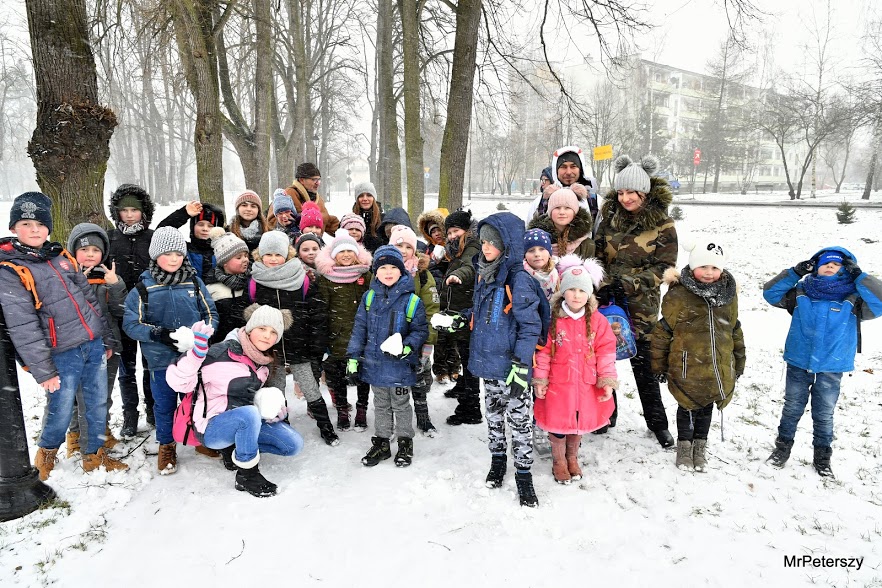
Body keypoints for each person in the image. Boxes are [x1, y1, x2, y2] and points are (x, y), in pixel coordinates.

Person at [0, 192, 127, 479]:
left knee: (95, 402)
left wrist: (104, 337)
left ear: (49, 227)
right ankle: (46, 453)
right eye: (26, 224)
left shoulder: (61, 257)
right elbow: (22, 325)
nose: (34, 230)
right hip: (61, 353)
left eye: (40, 225)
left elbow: (90, 302)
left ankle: (93, 455)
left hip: (92, 345)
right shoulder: (10, 269)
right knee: (60, 406)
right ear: (13, 229)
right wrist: (43, 370)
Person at [763, 247, 882, 478]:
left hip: (832, 365)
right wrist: (794, 273)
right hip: (799, 360)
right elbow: (770, 293)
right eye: (825, 262)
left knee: (824, 413)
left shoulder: (854, 299)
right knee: (791, 407)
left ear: (845, 269)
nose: (830, 265)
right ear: (815, 267)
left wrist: (860, 276)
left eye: (837, 264)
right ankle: (782, 449)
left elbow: (880, 302)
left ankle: (822, 457)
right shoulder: (800, 293)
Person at [166, 306, 303, 497]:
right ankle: (247, 475)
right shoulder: (220, 353)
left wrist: (276, 410)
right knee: (248, 414)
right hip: (212, 427)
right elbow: (178, 383)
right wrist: (195, 355)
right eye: (262, 328)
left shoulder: (263, 362)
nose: (267, 336)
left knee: (292, 445)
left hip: (245, 419)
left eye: (273, 332)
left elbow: (252, 396)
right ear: (250, 328)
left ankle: (235, 450)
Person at [594, 154, 678, 447]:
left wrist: (629, 283)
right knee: (604, 360)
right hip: (608, 301)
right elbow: (597, 257)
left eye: (632, 192)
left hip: (642, 307)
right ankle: (607, 414)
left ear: (644, 192)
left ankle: (657, 424)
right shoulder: (608, 220)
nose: (625, 198)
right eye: (620, 192)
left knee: (645, 366)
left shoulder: (663, 225)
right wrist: (603, 284)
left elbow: (665, 268)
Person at [123, 226, 219, 474]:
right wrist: (160, 334)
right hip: (160, 361)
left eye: (179, 253)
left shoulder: (194, 282)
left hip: (193, 358)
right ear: (156, 256)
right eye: (168, 254)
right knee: (164, 405)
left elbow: (210, 314)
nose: (174, 259)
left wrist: (201, 334)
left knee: (198, 401)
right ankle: (167, 445)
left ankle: (199, 438)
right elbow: (131, 324)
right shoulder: (143, 288)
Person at [463, 212, 543, 507]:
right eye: (483, 241)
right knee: (494, 415)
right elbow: (482, 314)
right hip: (488, 363)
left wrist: (522, 364)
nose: (485, 247)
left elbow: (530, 326)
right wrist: (461, 320)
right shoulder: (485, 273)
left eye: (492, 243)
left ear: (507, 245)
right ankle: (498, 460)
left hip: (512, 367)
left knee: (520, 421)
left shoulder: (518, 279)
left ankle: (524, 474)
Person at [650, 239, 745, 472]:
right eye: (703, 267)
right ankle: (684, 445)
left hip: (716, 365)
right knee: (687, 406)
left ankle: (700, 446)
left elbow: (734, 329)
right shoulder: (679, 294)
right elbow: (664, 331)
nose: (709, 273)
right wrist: (659, 365)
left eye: (714, 268)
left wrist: (738, 362)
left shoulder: (728, 295)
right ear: (693, 267)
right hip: (686, 366)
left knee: (708, 407)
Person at [532, 255, 617, 484]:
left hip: (586, 384)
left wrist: (607, 380)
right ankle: (559, 460)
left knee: (578, 421)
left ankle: (572, 457)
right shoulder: (553, 321)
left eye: (581, 291)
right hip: (560, 383)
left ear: (589, 294)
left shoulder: (598, 321)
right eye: (571, 290)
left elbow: (606, 351)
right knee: (558, 422)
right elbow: (543, 353)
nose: (576, 296)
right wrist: (540, 380)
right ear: (563, 293)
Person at [248, 231, 338, 446]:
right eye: (267, 254)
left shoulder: (302, 278)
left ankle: (326, 427)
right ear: (260, 255)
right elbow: (249, 315)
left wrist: (316, 342)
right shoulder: (254, 281)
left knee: (310, 388)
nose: (272, 259)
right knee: (276, 391)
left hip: (300, 344)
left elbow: (316, 312)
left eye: (277, 254)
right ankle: (282, 427)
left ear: (287, 255)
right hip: (272, 348)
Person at [346, 246, 429, 468]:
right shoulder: (369, 298)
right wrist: (353, 359)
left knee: (401, 404)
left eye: (394, 267)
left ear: (402, 271)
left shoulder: (412, 301)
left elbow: (420, 331)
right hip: (374, 365)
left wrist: (407, 347)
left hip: (400, 366)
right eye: (383, 267)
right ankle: (382, 442)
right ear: (376, 272)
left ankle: (404, 441)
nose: (389, 271)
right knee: (381, 404)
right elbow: (359, 329)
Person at [65, 223, 128, 456]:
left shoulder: (108, 278)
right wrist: (76, 285)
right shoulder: (65, 279)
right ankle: (74, 435)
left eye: (95, 250)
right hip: (76, 348)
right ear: (74, 252)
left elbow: (121, 310)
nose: (90, 255)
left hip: (108, 347)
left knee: (103, 394)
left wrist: (116, 285)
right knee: (74, 396)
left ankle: (102, 431)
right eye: (84, 250)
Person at [107, 183, 156, 437]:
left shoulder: (152, 237)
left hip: (149, 313)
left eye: (134, 210)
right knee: (126, 369)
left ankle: (152, 408)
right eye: (124, 210)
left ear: (143, 212)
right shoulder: (110, 238)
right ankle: (130, 414)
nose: (129, 214)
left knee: (150, 367)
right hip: (121, 313)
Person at [316, 232, 374, 432]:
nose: (347, 255)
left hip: (362, 336)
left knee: (363, 375)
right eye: (342, 251)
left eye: (351, 250)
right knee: (336, 375)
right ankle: (342, 409)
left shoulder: (365, 275)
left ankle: (361, 408)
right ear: (333, 255)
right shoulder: (326, 278)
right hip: (336, 336)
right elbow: (321, 309)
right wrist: (323, 337)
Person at [389, 224, 441, 436]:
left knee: (419, 379)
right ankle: (395, 417)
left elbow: (431, 309)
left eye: (407, 246)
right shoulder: (382, 271)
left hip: (417, 338)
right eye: (398, 245)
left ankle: (422, 414)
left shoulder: (421, 274)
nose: (403, 250)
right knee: (394, 381)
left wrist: (427, 340)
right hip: (391, 338)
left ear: (415, 249)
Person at [438, 209, 482, 423]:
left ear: (466, 230)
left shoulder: (473, 247)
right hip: (461, 311)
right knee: (463, 352)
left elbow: (469, 268)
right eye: (450, 232)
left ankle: (471, 408)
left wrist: (456, 275)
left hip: (468, 312)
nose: (452, 235)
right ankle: (463, 386)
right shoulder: (458, 249)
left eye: (456, 231)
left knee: (468, 357)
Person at [522, 227, 559, 457]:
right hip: (530, 338)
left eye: (541, 249)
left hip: (553, 339)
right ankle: (532, 425)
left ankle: (547, 425)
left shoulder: (558, 276)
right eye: (531, 250)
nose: (537, 254)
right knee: (532, 384)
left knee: (548, 385)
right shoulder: (521, 276)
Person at [418, 208, 459, 384]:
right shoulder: (429, 252)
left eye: (438, 230)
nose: (436, 234)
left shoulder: (456, 249)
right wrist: (434, 262)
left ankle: (455, 367)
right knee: (440, 335)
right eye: (432, 232)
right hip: (439, 297)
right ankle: (441, 369)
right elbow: (428, 274)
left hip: (455, 295)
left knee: (455, 334)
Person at [157, 200, 226, 285]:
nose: (205, 229)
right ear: (192, 227)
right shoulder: (183, 249)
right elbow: (161, 232)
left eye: (210, 226)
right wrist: (184, 214)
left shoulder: (224, 250)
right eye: (200, 224)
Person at [206, 228, 251, 344]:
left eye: (246, 256)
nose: (245, 260)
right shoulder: (211, 285)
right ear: (224, 262)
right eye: (239, 257)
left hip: (247, 342)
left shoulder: (251, 281)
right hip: (221, 343)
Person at [528, 188, 595, 259]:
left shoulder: (587, 244)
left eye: (567, 208)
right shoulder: (536, 239)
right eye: (557, 208)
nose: (562, 212)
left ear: (575, 212)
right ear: (550, 211)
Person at [284, 162, 340, 234]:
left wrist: (348, 228)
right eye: (314, 180)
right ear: (301, 180)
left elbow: (328, 222)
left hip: (315, 243)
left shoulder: (318, 199)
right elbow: (274, 221)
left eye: (318, 180)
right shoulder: (288, 194)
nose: (317, 183)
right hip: (296, 243)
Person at [351, 181, 384, 252]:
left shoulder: (384, 220)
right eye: (361, 196)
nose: (365, 199)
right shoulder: (349, 221)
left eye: (369, 195)